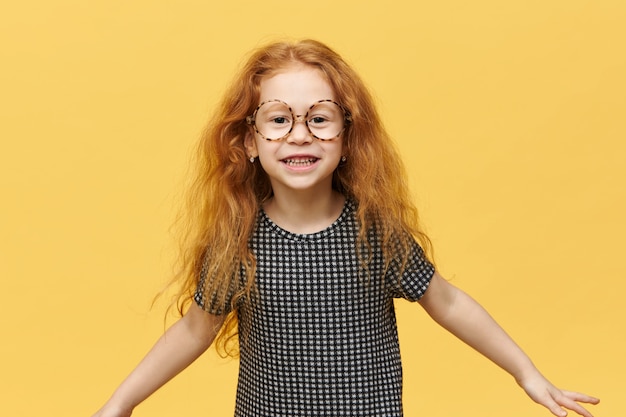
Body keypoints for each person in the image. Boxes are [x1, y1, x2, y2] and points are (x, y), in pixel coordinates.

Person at [92, 39, 599, 417]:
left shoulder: (374, 232)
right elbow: (195, 330)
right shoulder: (239, 242)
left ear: (348, 136)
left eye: (320, 117)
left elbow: (447, 301)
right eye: (277, 119)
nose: (299, 134)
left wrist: (526, 373)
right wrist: (119, 406)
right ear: (248, 140)